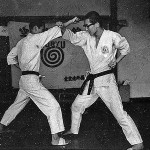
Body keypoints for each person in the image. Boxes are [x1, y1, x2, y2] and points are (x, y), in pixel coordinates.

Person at [56, 11, 144, 150]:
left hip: (106, 80)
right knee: (77, 106)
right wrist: (66, 24)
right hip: (92, 80)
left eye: (87, 26)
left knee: (119, 113)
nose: (85, 29)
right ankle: (74, 130)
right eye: (84, 26)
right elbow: (68, 35)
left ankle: (138, 143)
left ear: (96, 24)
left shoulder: (112, 36)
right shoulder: (86, 37)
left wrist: (117, 60)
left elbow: (125, 48)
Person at [0, 20, 70, 146]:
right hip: (31, 81)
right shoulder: (36, 38)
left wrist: (24, 69)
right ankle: (55, 139)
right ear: (36, 28)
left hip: (24, 80)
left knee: (16, 105)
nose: (43, 32)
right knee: (53, 106)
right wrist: (69, 21)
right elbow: (55, 31)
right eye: (42, 29)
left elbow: (10, 57)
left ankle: (0, 126)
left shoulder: (21, 42)